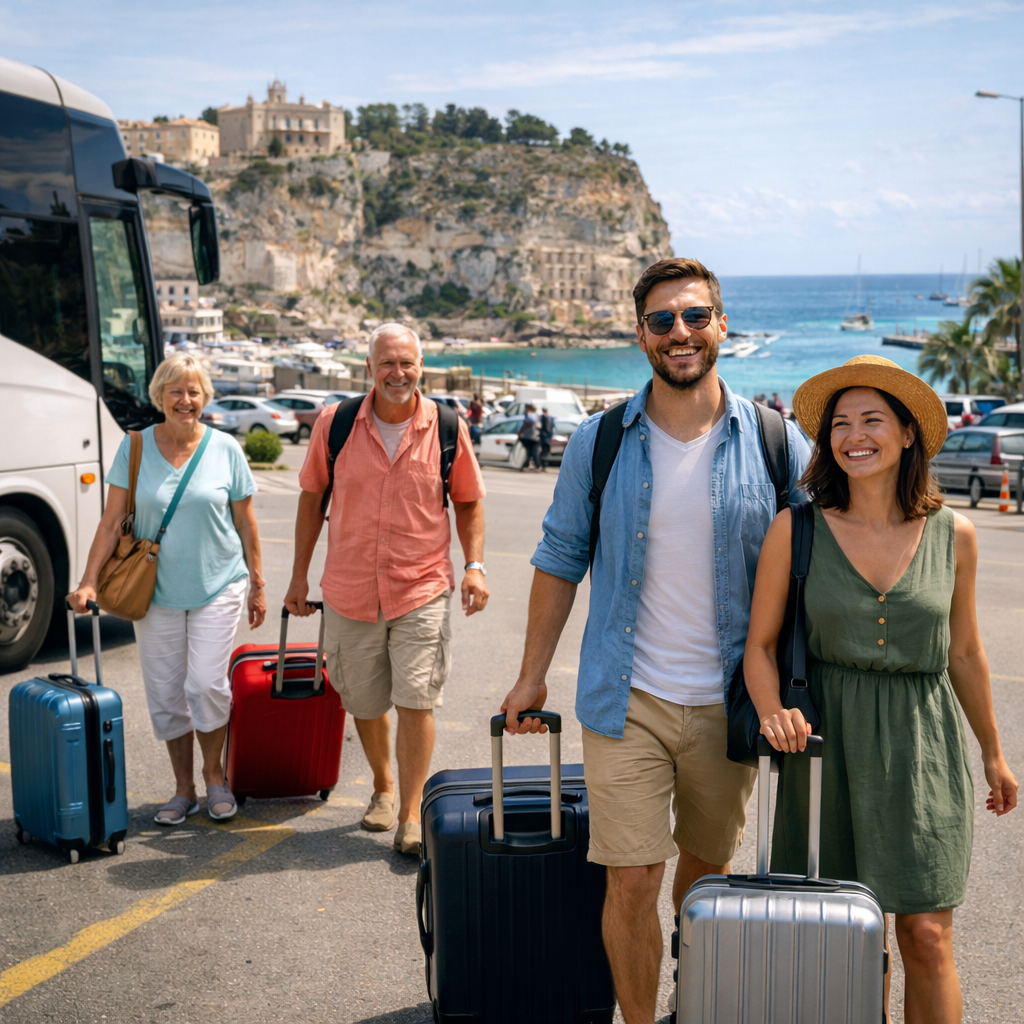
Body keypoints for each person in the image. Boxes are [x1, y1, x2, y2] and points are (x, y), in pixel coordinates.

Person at [501, 257, 810, 1024]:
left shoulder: (776, 442)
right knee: (631, 878)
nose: (681, 333)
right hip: (626, 697)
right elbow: (559, 558)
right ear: (641, 334)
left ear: (721, 325)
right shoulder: (599, 441)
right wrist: (530, 676)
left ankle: (689, 1001)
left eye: (696, 316)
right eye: (663, 320)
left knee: (705, 884)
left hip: (730, 705)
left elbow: (820, 560)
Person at [744, 355, 1018, 1024]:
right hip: (823, 749)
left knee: (925, 935)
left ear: (905, 435)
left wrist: (993, 752)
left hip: (921, 747)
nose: (853, 435)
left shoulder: (957, 535)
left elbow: (964, 651)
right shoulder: (797, 527)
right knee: (842, 940)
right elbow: (759, 647)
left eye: (872, 420)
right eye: (840, 423)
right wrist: (773, 710)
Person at [285, 323, 489, 857]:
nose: (398, 373)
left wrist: (475, 566)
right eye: (387, 364)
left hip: (420, 586)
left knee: (416, 700)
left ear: (422, 366)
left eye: (407, 363)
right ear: (369, 368)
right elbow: (311, 499)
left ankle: (410, 812)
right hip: (350, 588)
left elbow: (467, 501)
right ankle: (382, 785)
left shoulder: (444, 425)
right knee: (365, 700)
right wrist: (298, 576)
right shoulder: (337, 423)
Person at [69, 354, 266, 825]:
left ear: (205, 398)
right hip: (152, 590)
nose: (186, 400)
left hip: (218, 582)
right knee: (165, 694)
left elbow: (247, 523)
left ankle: (215, 776)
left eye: (194, 391)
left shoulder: (225, 449)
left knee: (204, 686)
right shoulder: (134, 447)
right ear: (160, 396)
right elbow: (112, 521)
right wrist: (88, 581)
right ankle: (184, 789)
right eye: (176, 391)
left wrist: (258, 583)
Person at [517, 404, 542, 471]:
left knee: (530, 452)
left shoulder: (530, 416)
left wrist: (520, 433)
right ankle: (534, 466)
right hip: (534, 437)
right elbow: (539, 426)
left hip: (529, 437)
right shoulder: (536, 416)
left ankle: (530, 465)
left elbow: (525, 424)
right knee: (532, 452)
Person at [538, 406, 555, 471]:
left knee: (544, 451)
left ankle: (542, 465)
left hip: (545, 437)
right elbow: (550, 428)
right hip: (546, 437)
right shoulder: (548, 417)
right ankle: (542, 465)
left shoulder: (544, 417)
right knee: (544, 451)